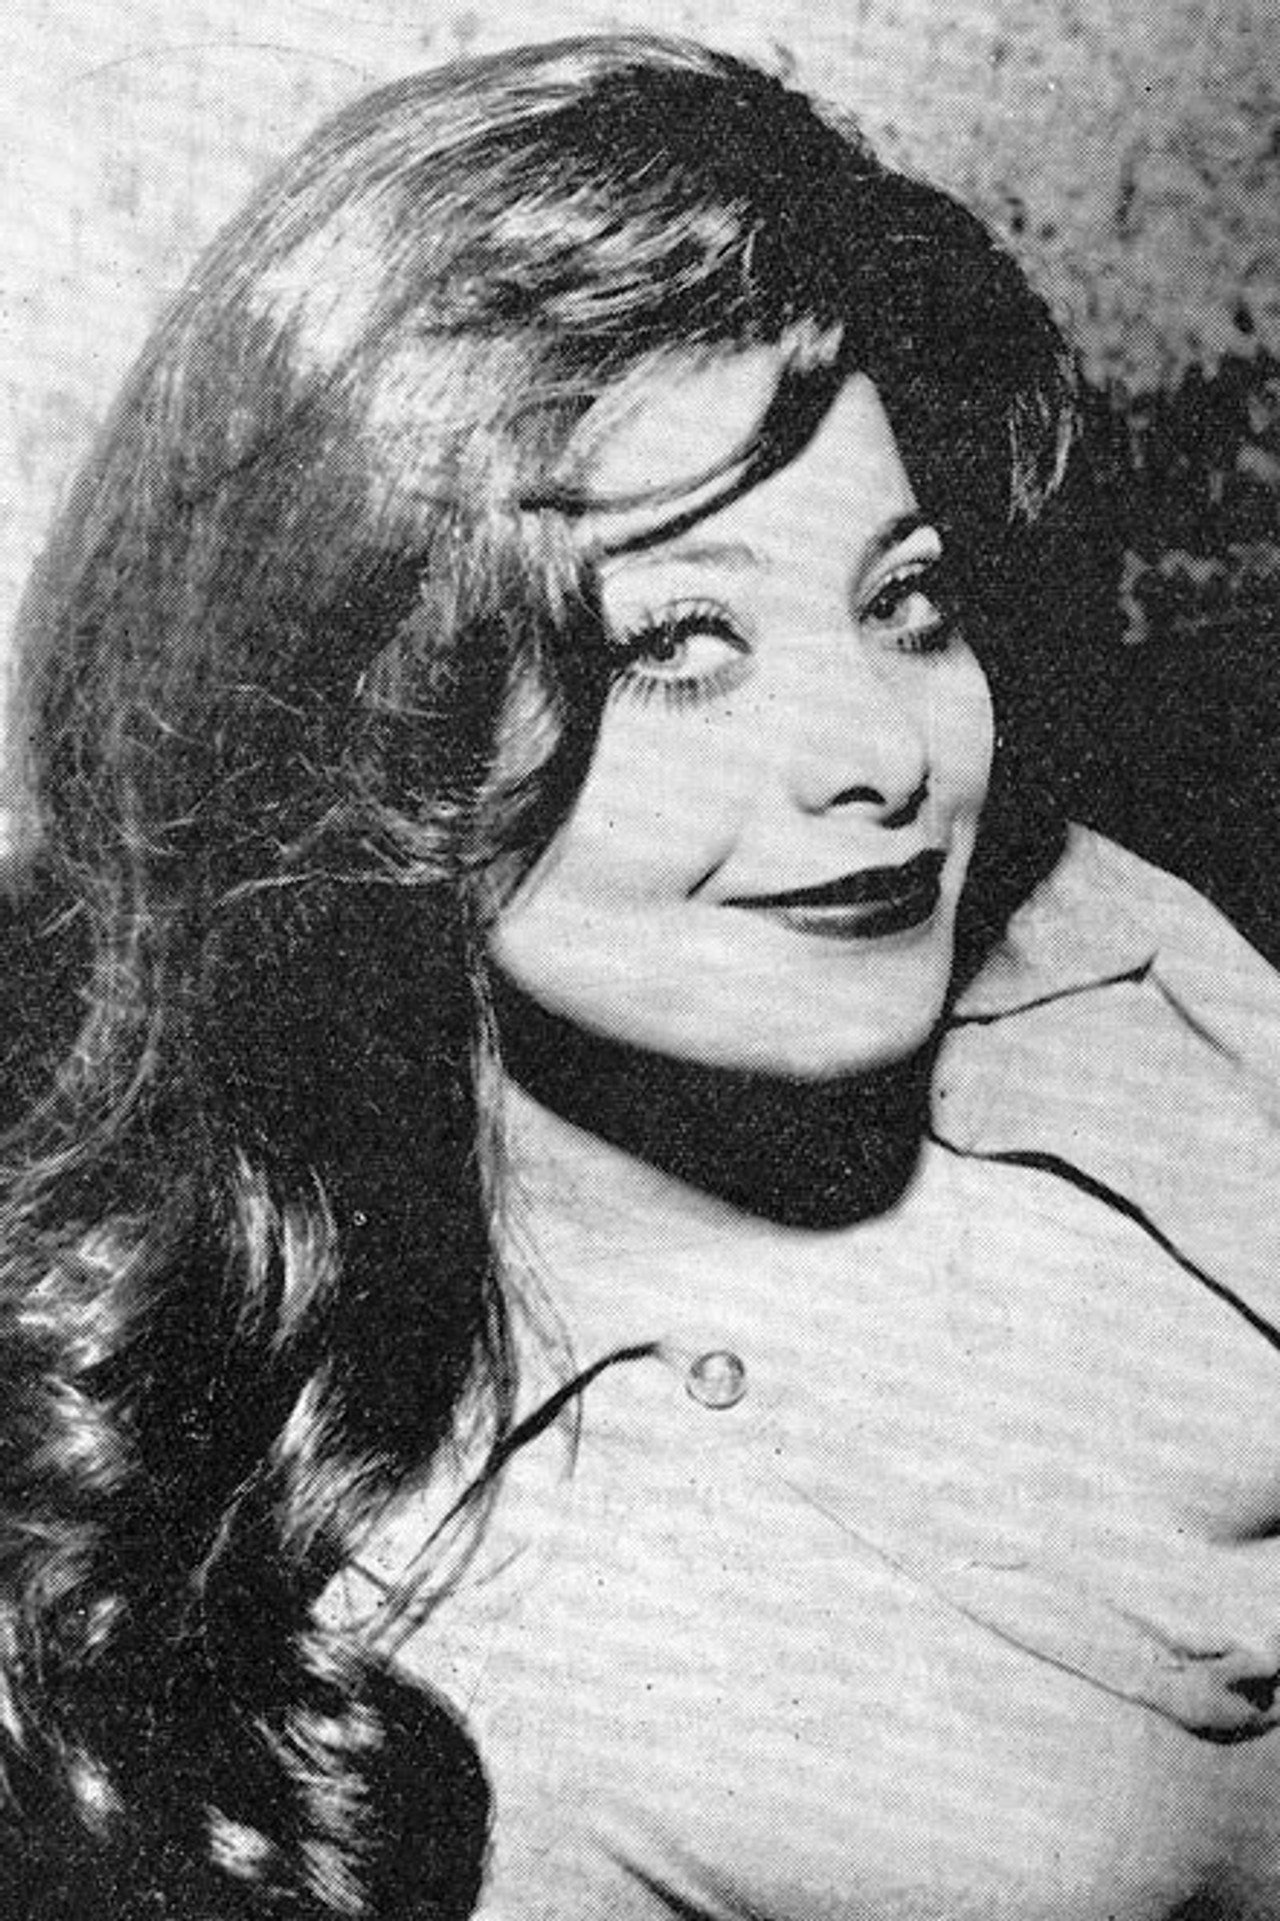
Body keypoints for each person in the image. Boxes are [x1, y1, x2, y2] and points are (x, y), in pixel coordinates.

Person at [3, 30, 1280, 1921]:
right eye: (679, 642)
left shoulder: (1085, 947)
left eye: (905, 601)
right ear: (368, 736)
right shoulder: (416, 1677)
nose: (885, 750)